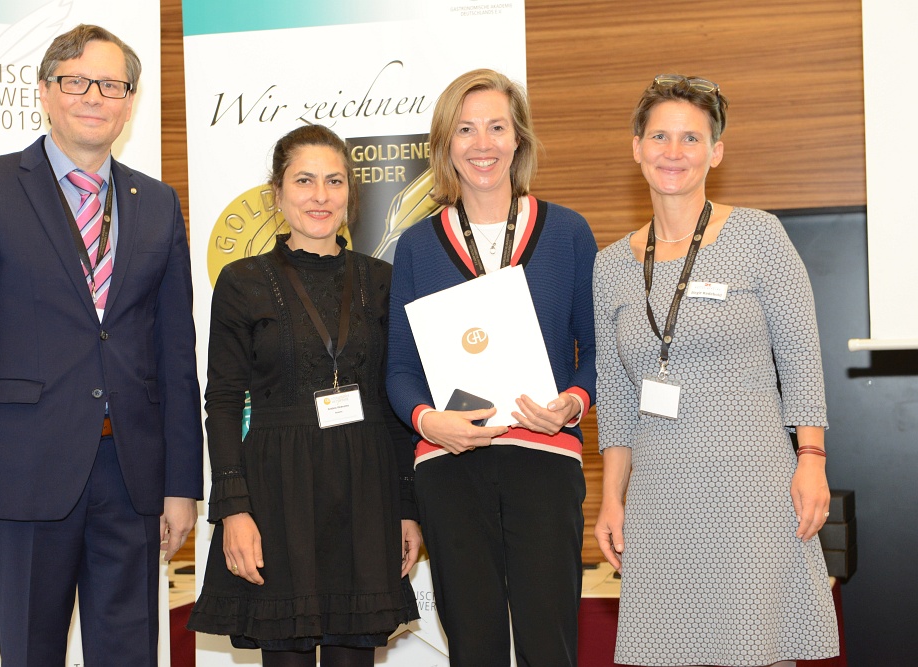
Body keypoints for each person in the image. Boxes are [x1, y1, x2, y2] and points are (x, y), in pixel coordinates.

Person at [0, 24, 202, 666]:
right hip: (21, 475)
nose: (93, 96)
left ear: (129, 102)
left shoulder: (158, 203)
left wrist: (182, 484)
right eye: (76, 81)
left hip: (132, 477)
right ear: (45, 92)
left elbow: (175, 356)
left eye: (111, 85)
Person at [592, 74, 839, 667]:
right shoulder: (611, 265)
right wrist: (610, 498)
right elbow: (617, 396)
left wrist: (812, 459)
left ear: (716, 152)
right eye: (660, 136)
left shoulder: (760, 235)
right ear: (636, 148)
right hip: (659, 497)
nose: (673, 152)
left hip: (752, 487)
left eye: (691, 138)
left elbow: (801, 355)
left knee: (759, 652)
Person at [186, 124, 421, 667]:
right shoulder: (242, 281)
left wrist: (406, 507)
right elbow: (223, 402)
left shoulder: (382, 280)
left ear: (350, 195)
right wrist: (233, 510)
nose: (321, 195)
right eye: (304, 180)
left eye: (334, 181)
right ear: (278, 193)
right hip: (277, 493)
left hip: (365, 492)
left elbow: (394, 401)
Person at [386, 69, 598, 667]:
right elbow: (399, 368)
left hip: (545, 457)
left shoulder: (568, 232)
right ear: (444, 144)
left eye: (497, 127)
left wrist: (573, 402)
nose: (482, 144)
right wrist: (428, 422)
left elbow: (598, 353)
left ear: (518, 138)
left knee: (549, 645)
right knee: (473, 647)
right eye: (465, 129)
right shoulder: (417, 246)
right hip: (450, 466)